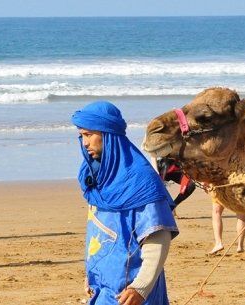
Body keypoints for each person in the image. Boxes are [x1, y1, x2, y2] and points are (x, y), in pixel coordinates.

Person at [72, 101, 179, 305]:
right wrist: (91, 274)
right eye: (81, 135)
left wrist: (141, 287)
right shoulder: (95, 176)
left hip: (132, 291)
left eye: (88, 135)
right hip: (103, 287)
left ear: (108, 134)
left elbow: (158, 237)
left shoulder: (140, 180)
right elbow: (97, 231)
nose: (84, 143)